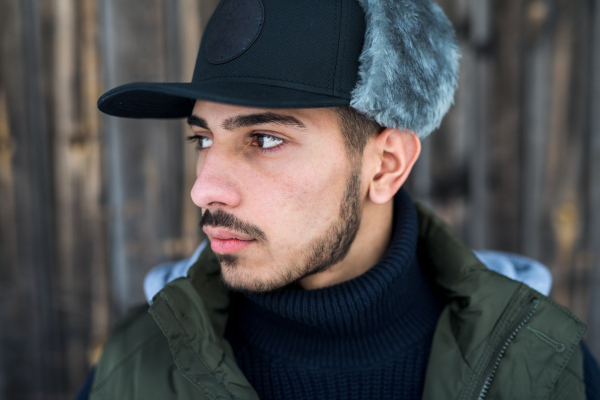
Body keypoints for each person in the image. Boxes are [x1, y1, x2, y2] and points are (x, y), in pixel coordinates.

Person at [81, 0, 600, 399]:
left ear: (386, 165)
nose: (204, 189)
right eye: (203, 139)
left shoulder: (539, 365)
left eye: (264, 139)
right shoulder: (134, 367)